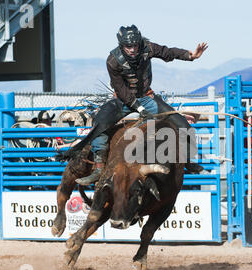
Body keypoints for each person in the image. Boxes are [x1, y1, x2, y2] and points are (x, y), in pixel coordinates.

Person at [73, 25, 208, 186]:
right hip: (122, 101)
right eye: (128, 46)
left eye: (135, 45)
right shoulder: (113, 60)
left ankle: (187, 161)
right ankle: (99, 168)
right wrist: (139, 108)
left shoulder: (147, 47)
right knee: (99, 124)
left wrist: (190, 55)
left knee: (183, 124)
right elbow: (121, 89)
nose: (132, 49)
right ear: (122, 45)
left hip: (147, 96)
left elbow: (167, 52)